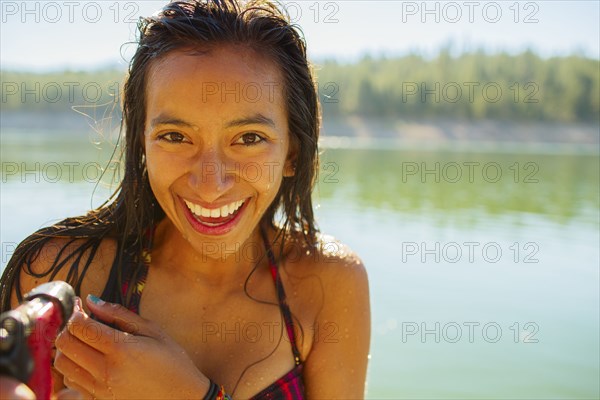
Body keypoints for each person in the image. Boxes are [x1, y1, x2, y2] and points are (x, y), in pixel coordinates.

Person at [0, 0, 370, 398]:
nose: (211, 184)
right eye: (175, 137)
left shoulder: (329, 283)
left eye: (248, 138)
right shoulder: (57, 275)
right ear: (141, 143)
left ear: (293, 153)